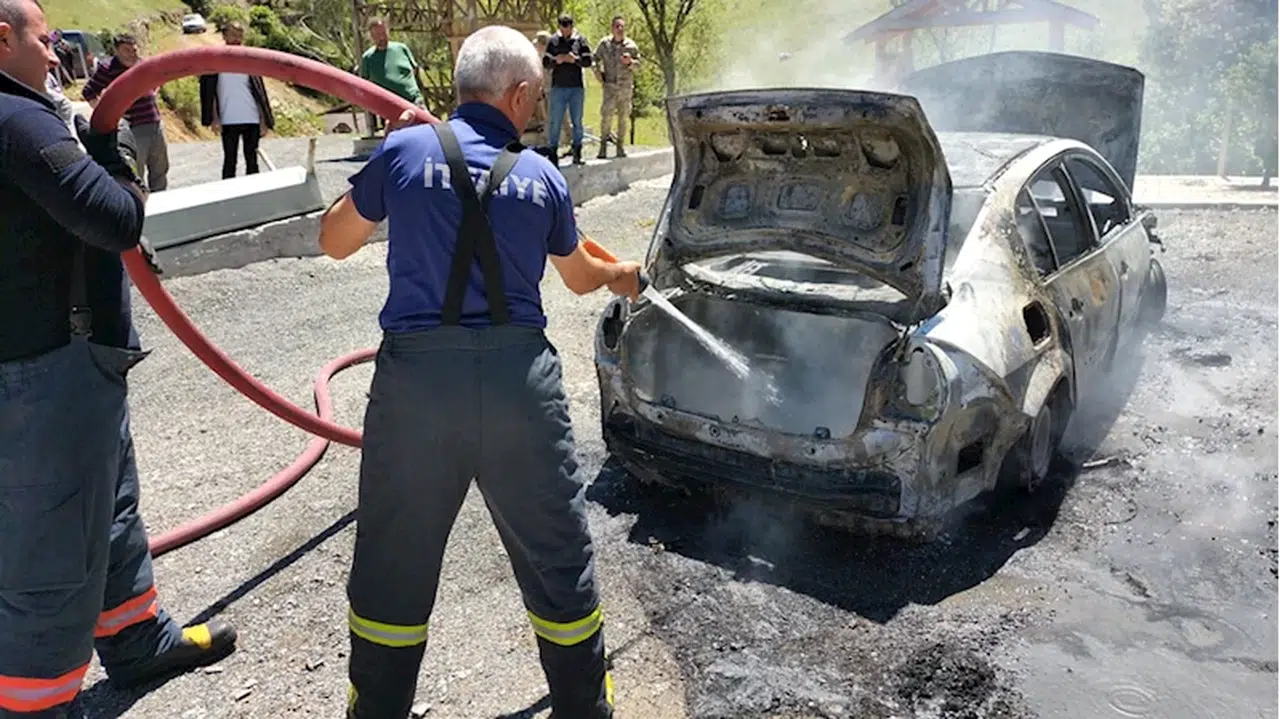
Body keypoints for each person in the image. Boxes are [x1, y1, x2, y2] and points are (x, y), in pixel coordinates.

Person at [317, 23, 642, 719]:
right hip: (519, 388)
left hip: (415, 393)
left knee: (394, 564)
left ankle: (376, 709)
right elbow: (581, 276)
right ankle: (586, 707)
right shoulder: (542, 175)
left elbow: (335, 239)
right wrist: (625, 275)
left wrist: (397, 155)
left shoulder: (404, 149)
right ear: (521, 94)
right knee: (556, 554)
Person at [0, 0, 238, 715]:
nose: (56, 56)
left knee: (109, 506)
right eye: (45, 42)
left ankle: (136, 638)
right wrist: (112, 155)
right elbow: (115, 216)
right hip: (47, 367)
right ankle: (35, 704)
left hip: (64, 360)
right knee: (56, 536)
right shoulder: (16, 123)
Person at [81, 32, 169, 192]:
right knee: (136, 172)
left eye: (134, 50)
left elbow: (158, 80)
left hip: (154, 123)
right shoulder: (108, 69)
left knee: (160, 170)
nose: (132, 54)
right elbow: (88, 92)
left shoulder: (142, 65)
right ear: (117, 50)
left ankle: (162, 204)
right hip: (132, 128)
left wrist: (154, 90)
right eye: (127, 50)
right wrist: (108, 114)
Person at [198, 21, 275, 179]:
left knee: (252, 161)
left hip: (251, 118)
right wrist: (215, 118)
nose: (237, 38)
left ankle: (253, 198)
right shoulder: (216, 61)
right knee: (229, 161)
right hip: (228, 119)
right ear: (225, 36)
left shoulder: (249, 60)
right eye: (233, 34)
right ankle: (228, 198)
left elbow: (259, 92)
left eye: (240, 35)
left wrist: (263, 120)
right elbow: (211, 93)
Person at [542, 14, 593, 166]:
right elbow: (546, 62)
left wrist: (575, 60)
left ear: (572, 26)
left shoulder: (580, 40)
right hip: (558, 86)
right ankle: (553, 154)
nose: (565, 31)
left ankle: (577, 152)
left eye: (568, 27)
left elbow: (588, 61)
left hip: (576, 87)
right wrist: (556, 61)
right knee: (555, 121)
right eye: (562, 27)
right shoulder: (554, 41)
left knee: (577, 121)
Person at [592, 15, 641, 159]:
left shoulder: (631, 46)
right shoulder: (604, 44)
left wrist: (630, 62)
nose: (620, 29)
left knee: (623, 118)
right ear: (612, 28)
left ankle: (620, 146)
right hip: (610, 87)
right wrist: (597, 72)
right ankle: (603, 147)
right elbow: (594, 58)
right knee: (606, 117)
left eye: (622, 27)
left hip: (625, 88)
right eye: (617, 26)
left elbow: (639, 66)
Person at [359, 17, 427, 113]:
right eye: (378, 35)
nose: (382, 37)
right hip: (389, 107)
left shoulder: (402, 48)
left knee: (428, 125)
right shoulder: (368, 58)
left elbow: (415, 71)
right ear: (371, 36)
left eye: (384, 33)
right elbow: (365, 85)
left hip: (414, 101)